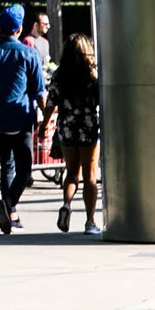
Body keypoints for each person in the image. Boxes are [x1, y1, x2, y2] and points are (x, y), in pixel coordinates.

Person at [0, 3, 47, 235]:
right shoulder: (29, 54)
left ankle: (11, 213)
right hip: (20, 116)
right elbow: (38, 91)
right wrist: (46, 116)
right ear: (19, 28)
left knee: (6, 163)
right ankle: (9, 203)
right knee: (25, 167)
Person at [46, 33, 102, 235]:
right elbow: (101, 100)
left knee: (71, 172)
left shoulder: (60, 75)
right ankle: (90, 221)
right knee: (90, 175)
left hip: (67, 126)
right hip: (87, 126)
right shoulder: (92, 75)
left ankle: (67, 204)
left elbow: (51, 102)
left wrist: (45, 126)